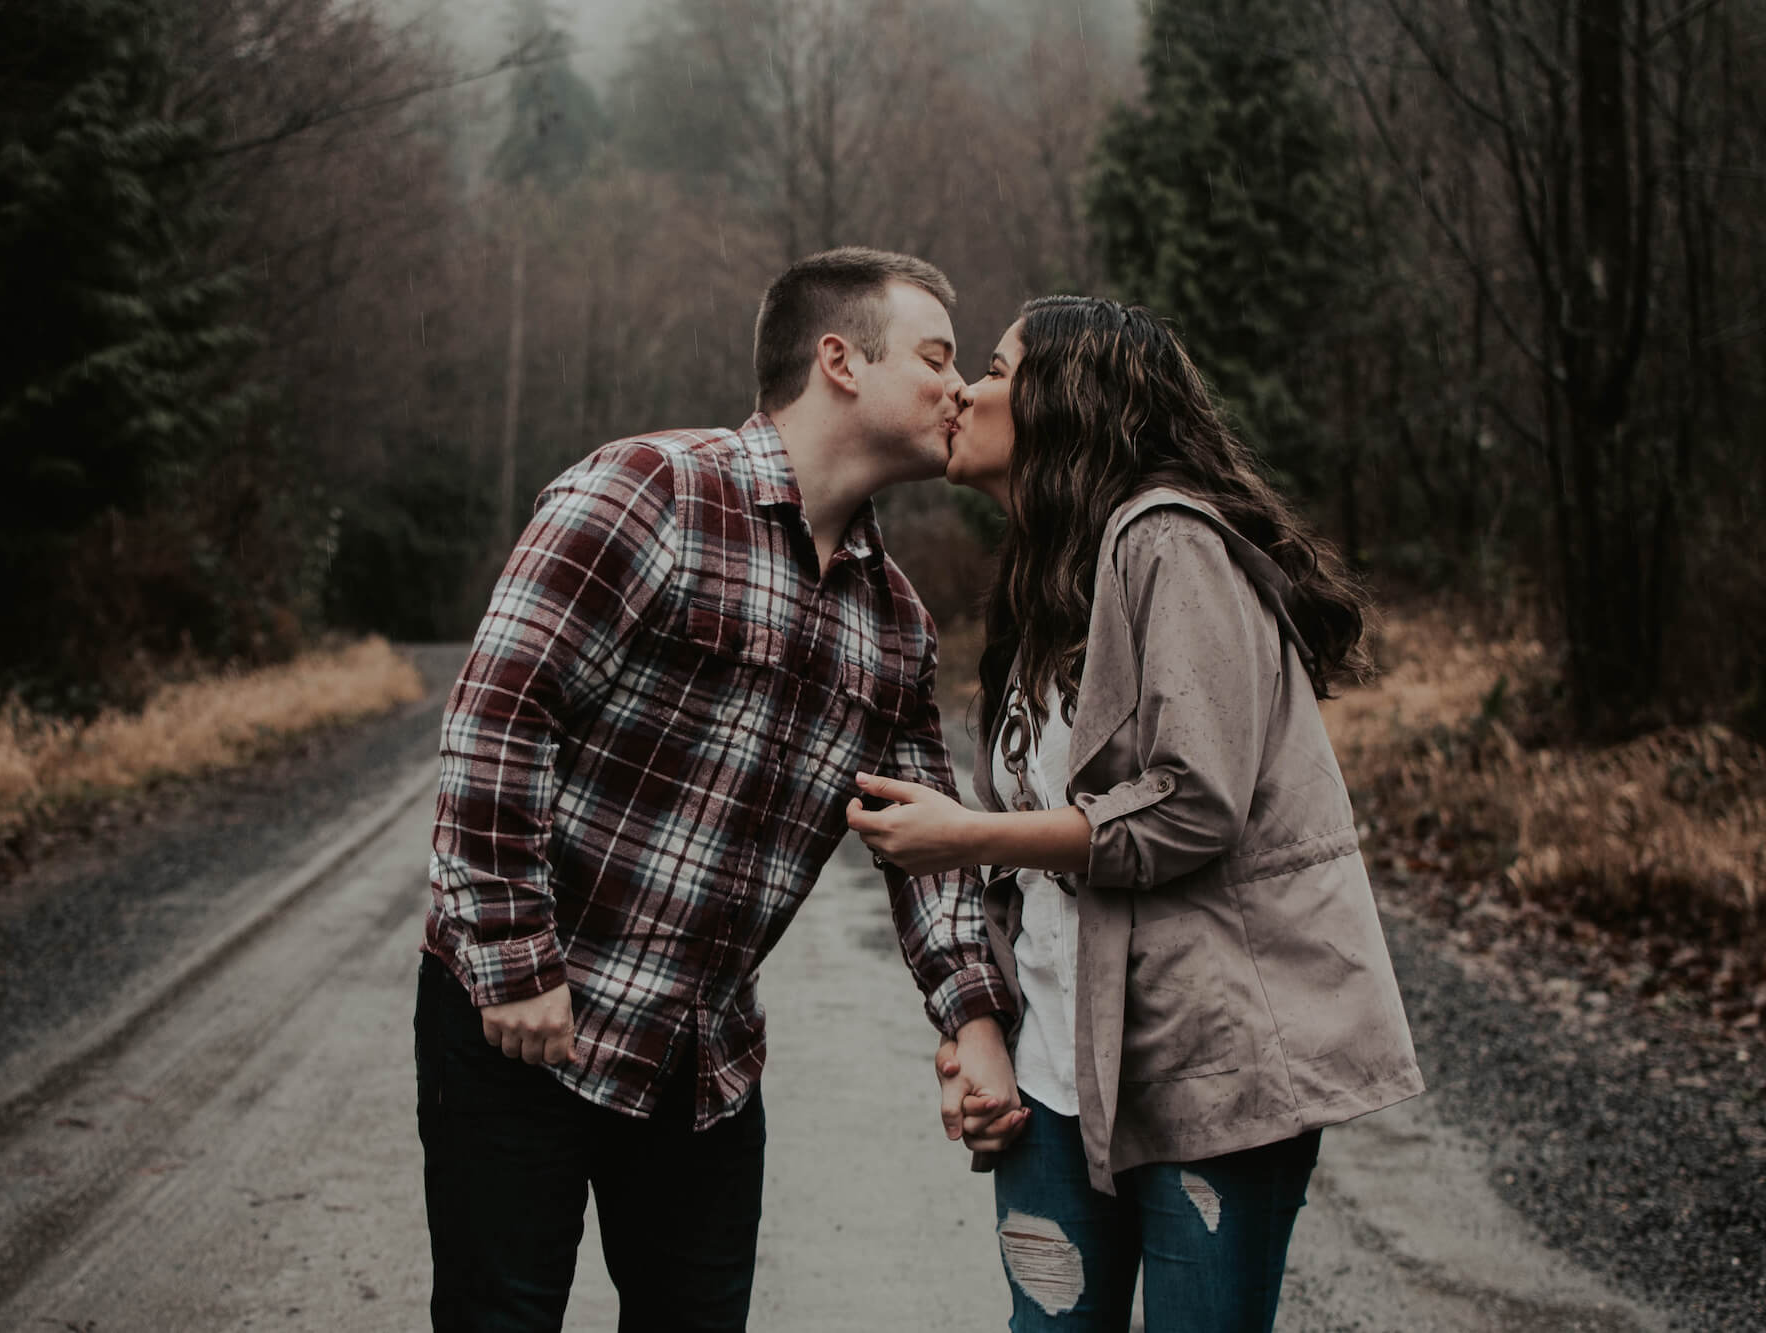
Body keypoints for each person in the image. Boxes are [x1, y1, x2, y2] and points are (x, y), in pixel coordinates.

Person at [415, 247, 1022, 1331]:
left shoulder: (895, 621)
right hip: (523, 1027)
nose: (961, 388)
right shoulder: (651, 491)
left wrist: (973, 1018)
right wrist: (511, 959)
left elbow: (925, 849)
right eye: (936, 358)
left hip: (701, 1068)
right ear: (839, 360)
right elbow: (499, 717)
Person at [847, 296, 1424, 1331]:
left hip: (1207, 1072)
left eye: (994, 368)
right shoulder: (1043, 588)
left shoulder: (1168, 541)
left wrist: (965, 833)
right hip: (1053, 1074)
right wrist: (978, 1034)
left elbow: (1191, 806)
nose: (965, 391)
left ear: (1068, 402)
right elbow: (1035, 874)